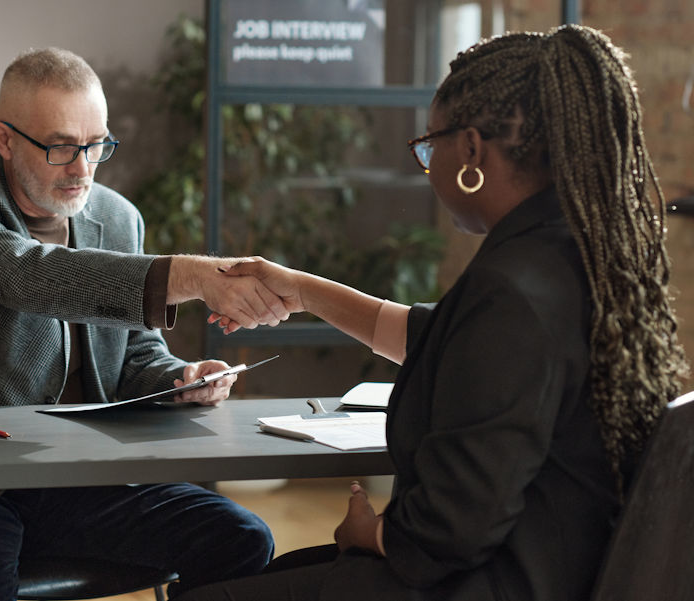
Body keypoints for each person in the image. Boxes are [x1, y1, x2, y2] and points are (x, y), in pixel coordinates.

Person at [184, 24, 689, 601]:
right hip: (553, 567)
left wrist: (369, 531)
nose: (429, 165)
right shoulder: (573, 255)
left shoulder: (514, 291)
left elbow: (451, 530)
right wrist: (301, 289)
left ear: (471, 149)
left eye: (430, 146)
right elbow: (437, 340)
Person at [0, 47, 287, 600]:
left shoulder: (118, 217)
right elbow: (32, 279)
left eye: (97, 144)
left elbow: (134, 355)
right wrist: (193, 276)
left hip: (81, 477)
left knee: (240, 538)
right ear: (4, 140)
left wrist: (180, 379)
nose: (83, 168)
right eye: (60, 147)